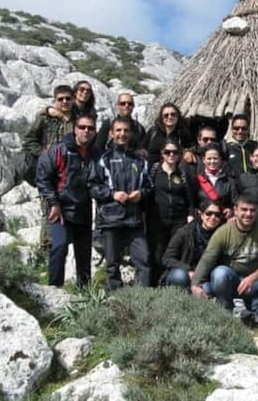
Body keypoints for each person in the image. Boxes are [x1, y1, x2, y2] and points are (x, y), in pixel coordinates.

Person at [191, 195, 258, 331]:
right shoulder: (223, 231)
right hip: (232, 280)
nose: (248, 214)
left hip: (256, 280)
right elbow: (207, 259)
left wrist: (252, 278)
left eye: (252, 210)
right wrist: (194, 284)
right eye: (244, 210)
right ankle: (227, 312)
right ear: (235, 210)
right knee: (219, 273)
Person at [88, 116, 153, 290]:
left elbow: (149, 185)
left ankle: (142, 300)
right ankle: (115, 302)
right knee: (112, 266)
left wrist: (142, 194)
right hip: (111, 221)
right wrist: (112, 194)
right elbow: (92, 187)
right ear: (111, 133)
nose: (122, 134)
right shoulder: (103, 159)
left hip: (134, 222)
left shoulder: (139, 161)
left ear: (130, 133)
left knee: (144, 261)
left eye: (125, 130)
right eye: (118, 130)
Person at [35, 114, 98, 287]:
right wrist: (54, 203)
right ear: (75, 129)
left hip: (84, 209)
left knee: (84, 254)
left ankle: (84, 295)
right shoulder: (59, 150)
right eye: (82, 127)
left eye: (90, 128)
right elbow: (43, 177)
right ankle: (54, 288)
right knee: (59, 247)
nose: (86, 131)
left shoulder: (95, 153)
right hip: (60, 209)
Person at [147, 139, 197, 284]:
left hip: (178, 221)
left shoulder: (182, 174)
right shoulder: (154, 171)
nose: (171, 155)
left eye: (174, 152)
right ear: (162, 153)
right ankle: (156, 287)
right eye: (167, 152)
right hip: (157, 220)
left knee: (177, 254)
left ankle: (176, 286)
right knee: (157, 255)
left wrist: (190, 214)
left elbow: (189, 198)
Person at [161, 200, 222, 290]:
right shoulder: (185, 233)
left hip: (204, 278)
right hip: (184, 273)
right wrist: (187, 270)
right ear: (201, 214)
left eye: (217, 215)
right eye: (209, 213)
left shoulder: (222, 234)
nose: (213, 217)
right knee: (180, 276)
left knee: (207, 289)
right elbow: (167, 258)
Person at [22, 84, 75, 185]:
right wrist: (43, 154)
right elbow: (29, 140)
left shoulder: (78, 121)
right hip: (48, 168)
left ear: (73, 100)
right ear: (55, 101)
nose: (64, 101)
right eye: (60, 99)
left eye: (68, 98)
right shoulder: (45, 119)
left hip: (69, 170)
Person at [195, 143, 236, 219]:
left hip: (222, 219)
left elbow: (235, 201)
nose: (212, 161)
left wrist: (230, 210)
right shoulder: (196, 179)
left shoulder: (229, 180)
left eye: (215, 158)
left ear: (220, 159)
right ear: (203, 160)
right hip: (202, 220)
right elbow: (192, 202)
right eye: (209, 158)